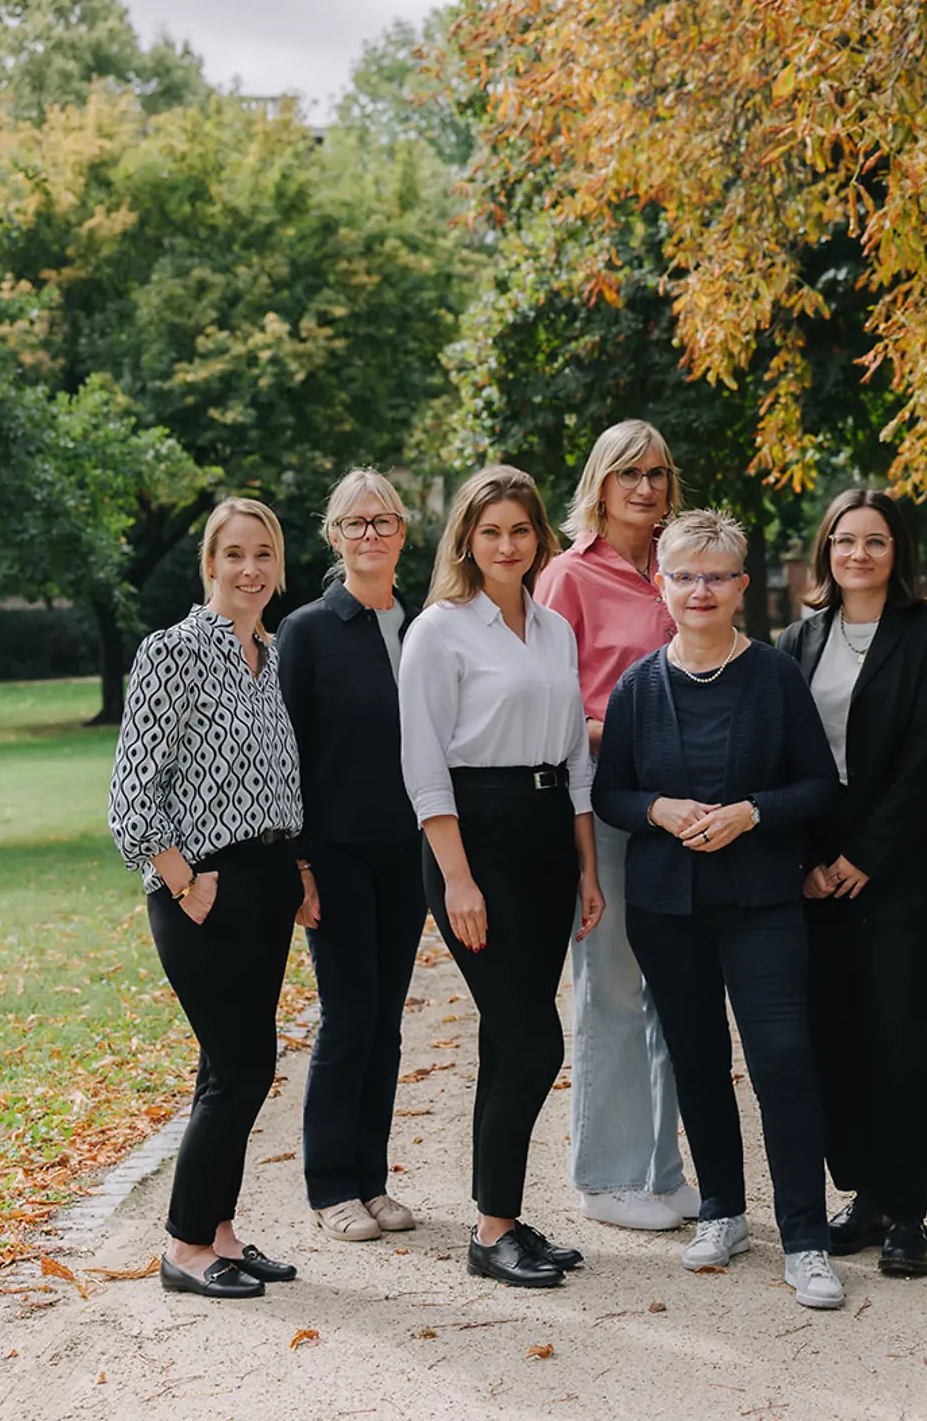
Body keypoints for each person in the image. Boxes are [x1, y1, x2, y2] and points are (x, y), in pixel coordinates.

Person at [593, 509, 845, 1310]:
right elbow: (611, 792)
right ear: (661, 585)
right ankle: (723, 1213)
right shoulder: (638, 686)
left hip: (761, 901)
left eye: (715, 576)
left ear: (740, 586)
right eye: (684, 576)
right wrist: (658, 808)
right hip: (667, 909)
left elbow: (818, 785)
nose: (698, 590)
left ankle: (805, 1239)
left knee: (782, 1061)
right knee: (696, 1062)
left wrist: (753, 813)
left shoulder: (774, 676)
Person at [399, 464, 604, 1289]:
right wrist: (457, 879)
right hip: (475, 844)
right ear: (467, 541)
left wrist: (587, 867)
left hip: (549, 840)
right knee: (532, 1040)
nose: (508, 545)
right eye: (491, 532)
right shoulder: (438, 631)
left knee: (505, 1040)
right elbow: (423, 766)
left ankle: (502, 1217)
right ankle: (490, 1232)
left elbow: (576, 757)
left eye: (521, 530)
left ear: (539, 537)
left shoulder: (553, 629)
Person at [109, 498, 308, 1300]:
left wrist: (294, 872)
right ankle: (185, 1245)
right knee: (244, 1066)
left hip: (266, 880)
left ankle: (221, 1232)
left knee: (226, 1067)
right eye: (234, 554)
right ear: (210, 564)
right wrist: (185, 881)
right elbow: (132, 794)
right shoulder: (174, 651)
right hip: (202, 886)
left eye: (264, 554)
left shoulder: (273, 655)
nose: (250, 569)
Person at [776, 489, 927, 1278]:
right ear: (826, 550)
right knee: (833, 1040)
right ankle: (862, 1195)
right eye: (845, 541)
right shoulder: (798, 639)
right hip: (818, 870)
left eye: (876, 541)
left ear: (899, 554)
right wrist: (810, 862)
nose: (858, 555)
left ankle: (907, 1213)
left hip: (898, 868)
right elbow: (783, 755)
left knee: (898, 1042)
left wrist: (865, 855)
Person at [534, 420, 696, 1231]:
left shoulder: (682, 568)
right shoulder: (567, 576)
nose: (645, 486)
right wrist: (631, 735)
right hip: (603, 804)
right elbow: (547, 700)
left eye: (657, 473)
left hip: (685, 810)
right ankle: (606, 1178)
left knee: (677, 991)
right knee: (613, 990)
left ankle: (661, 1173)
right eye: (628, 472)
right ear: (600, 483)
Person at [276, 469, 427, 1243]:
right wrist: (298, 863)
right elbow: (284, 752)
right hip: (333, 856)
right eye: (355, 523)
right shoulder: (307, 630)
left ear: (403, 531)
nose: (371, 534)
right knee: (348, 1017)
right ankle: (331, 1185)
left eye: (384, 520)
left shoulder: (427, 622)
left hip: (410, 854)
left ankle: (372, 1180)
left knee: (387, 1021)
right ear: (334, 536)